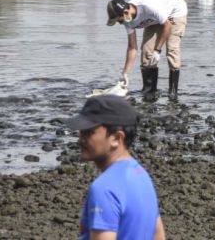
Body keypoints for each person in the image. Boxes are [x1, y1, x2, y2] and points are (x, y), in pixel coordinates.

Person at [65, 95, 166, 240]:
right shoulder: (141, 175)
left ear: (116, 138)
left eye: (89, 132)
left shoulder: (104, 188)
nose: (81, 139)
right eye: (81, 132)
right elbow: (158, 235)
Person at [106, 0, 188, 99]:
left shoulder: (149, 6)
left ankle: (173, 92)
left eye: (119, 20)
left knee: (172, 49)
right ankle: (149, 90)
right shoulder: (128, 21)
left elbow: (167, 26)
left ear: (126, 12)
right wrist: (125, 74)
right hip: (153, 18)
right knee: (146, 52)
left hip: (175, 10)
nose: (120, 23)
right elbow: (132, 48)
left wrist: (157, 50)